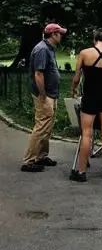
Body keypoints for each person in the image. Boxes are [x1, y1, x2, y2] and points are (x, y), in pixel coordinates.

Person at [69, 29, 102, 182]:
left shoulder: (84, 53)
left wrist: (73, 88)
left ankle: (82, 171)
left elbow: (77, 77)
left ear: (94, 39)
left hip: (90, 95)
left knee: (86, 133)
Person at [21, 23, 67, 172]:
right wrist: (43, 95)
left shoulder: (49, 48)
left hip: (51, 94)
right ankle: (29, 160)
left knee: (47, 126)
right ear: (53, 34)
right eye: (59, 33)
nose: (61, 36)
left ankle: (41, 156)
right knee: (41, 126)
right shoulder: (42, 49)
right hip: (45, 95)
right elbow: (38, 74)